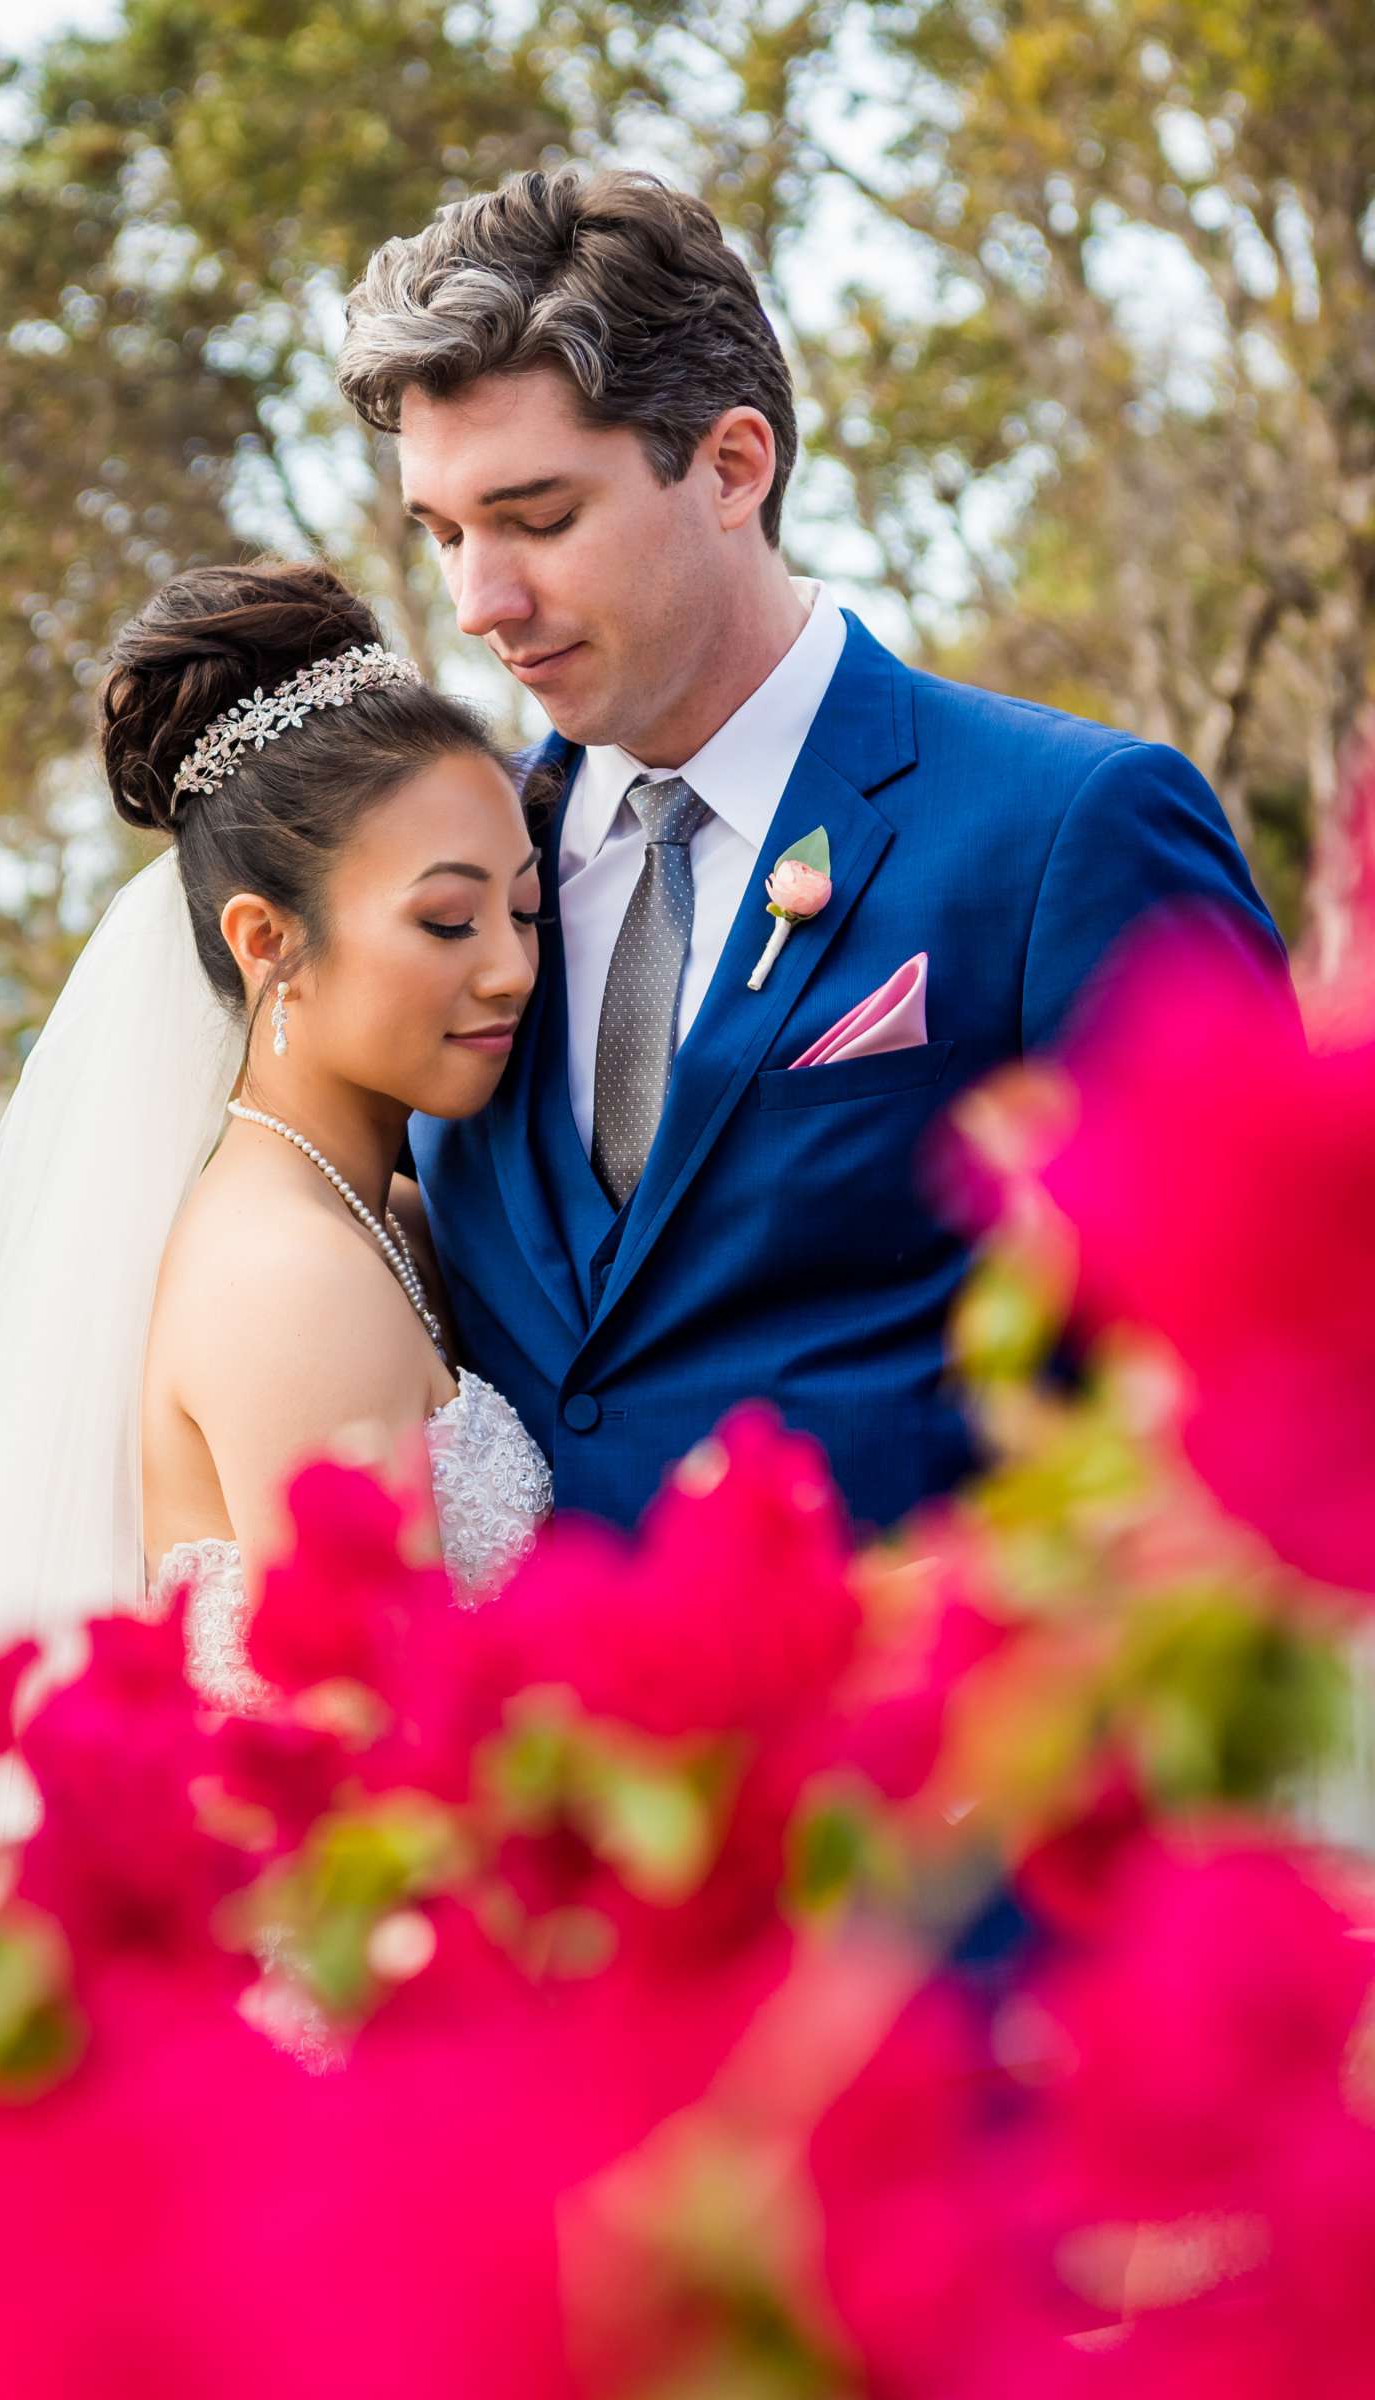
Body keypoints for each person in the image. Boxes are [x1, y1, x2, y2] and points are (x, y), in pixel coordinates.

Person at [335, 164, 1288, 1537]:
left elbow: (1253, 1366)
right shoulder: (448, 881)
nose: (482, 600)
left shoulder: (1074, 827)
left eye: (538, 519)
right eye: (445, 535)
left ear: (731, 466)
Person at [0, 561, 551, 1734]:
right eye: (445, 920)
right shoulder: (290, 1275)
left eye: (522, 910)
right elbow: (393, 1739)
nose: (510, 968)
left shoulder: (381, 1216)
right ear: (270, 941)